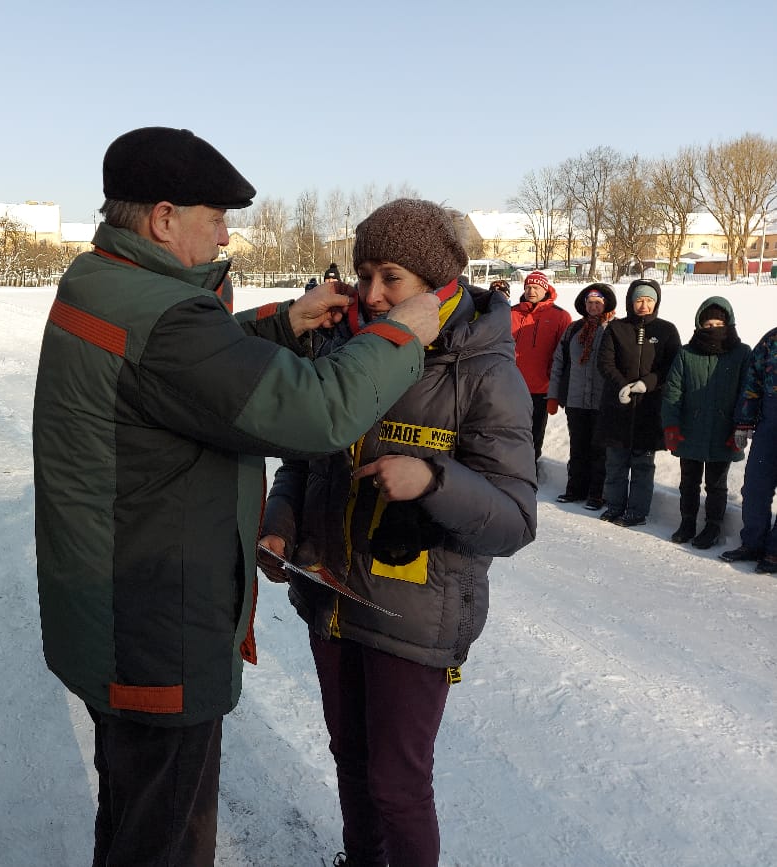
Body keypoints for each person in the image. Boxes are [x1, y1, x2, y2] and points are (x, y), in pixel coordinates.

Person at [32, 127, 442, 866]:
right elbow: (313, 412)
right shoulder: (163, 318)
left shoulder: (103, 279)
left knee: (131, 814)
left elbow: (181, 367)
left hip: (111, 614)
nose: (226, 235)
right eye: (216, 219)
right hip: (154, 628)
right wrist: (398, 337)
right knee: (167, 837)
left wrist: (280, 323)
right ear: (163, 217)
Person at [259, 199, 537, 867]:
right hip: (330, 594)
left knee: (397, 783)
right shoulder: (340, 346)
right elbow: (304, 457)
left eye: (392, 278)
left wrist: (434, 480)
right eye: (364, 275)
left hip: (413, 611)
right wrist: (279, 525)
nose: (373, 294)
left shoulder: (484, 372)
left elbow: (515, 520)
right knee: (351, 762)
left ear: (437, 284)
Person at [660, 297, 751, 549]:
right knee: (689, 480)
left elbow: (748, 394)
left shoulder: (742, 353)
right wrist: (671, 425)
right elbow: (673, 391)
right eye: (708, 323)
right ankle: (687, 521)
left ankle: (713, 526)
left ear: (728, 323)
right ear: (699, 325)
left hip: (725, 432)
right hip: (690, 430)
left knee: (716, 484)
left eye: (718, 322)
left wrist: (740, 429)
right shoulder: (687, 353)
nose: (713, 328)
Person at [596, 278, 681, 527]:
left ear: (656, 302)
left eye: (649, 300)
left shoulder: (667, 331)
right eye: (639, 300)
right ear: (631, 302)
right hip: (617, 406)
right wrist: (622, 384)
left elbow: (671, 366)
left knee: (643, 464)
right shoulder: (616, 328)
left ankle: (637, 510)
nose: (643, 305)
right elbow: (605, 362)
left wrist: (648, 383)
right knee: (616, 462)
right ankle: (614, 505)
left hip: (649, 408)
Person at [547, 283, 617, 509]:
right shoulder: (574, 330)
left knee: (599, 450)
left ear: (606, 304)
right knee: (578, 447)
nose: (593, 306)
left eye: (598, 303)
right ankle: (575, 490)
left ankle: (597, 494)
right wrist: (553, 395)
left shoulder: (614, 328)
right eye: (590, 303)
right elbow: (559, 362)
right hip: (576, 400)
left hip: (602, 402)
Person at [720, 326, 777, 572]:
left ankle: (775, 551)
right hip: (769, 425)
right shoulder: (771, 340)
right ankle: (752, 543)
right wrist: (744, 421)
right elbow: (752, 382)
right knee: (755, 487)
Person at [510, 271, 571, 466]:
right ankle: (508, 467)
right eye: (528, 287)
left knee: (535, 432)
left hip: (541, 387)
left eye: (536, 287)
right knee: (509, 429)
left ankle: (530, 468)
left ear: (545, 289)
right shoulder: (511, 313)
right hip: (511, 384)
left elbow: (564, 353)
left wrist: (558, 384)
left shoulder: (560, 316)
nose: (531, 291)